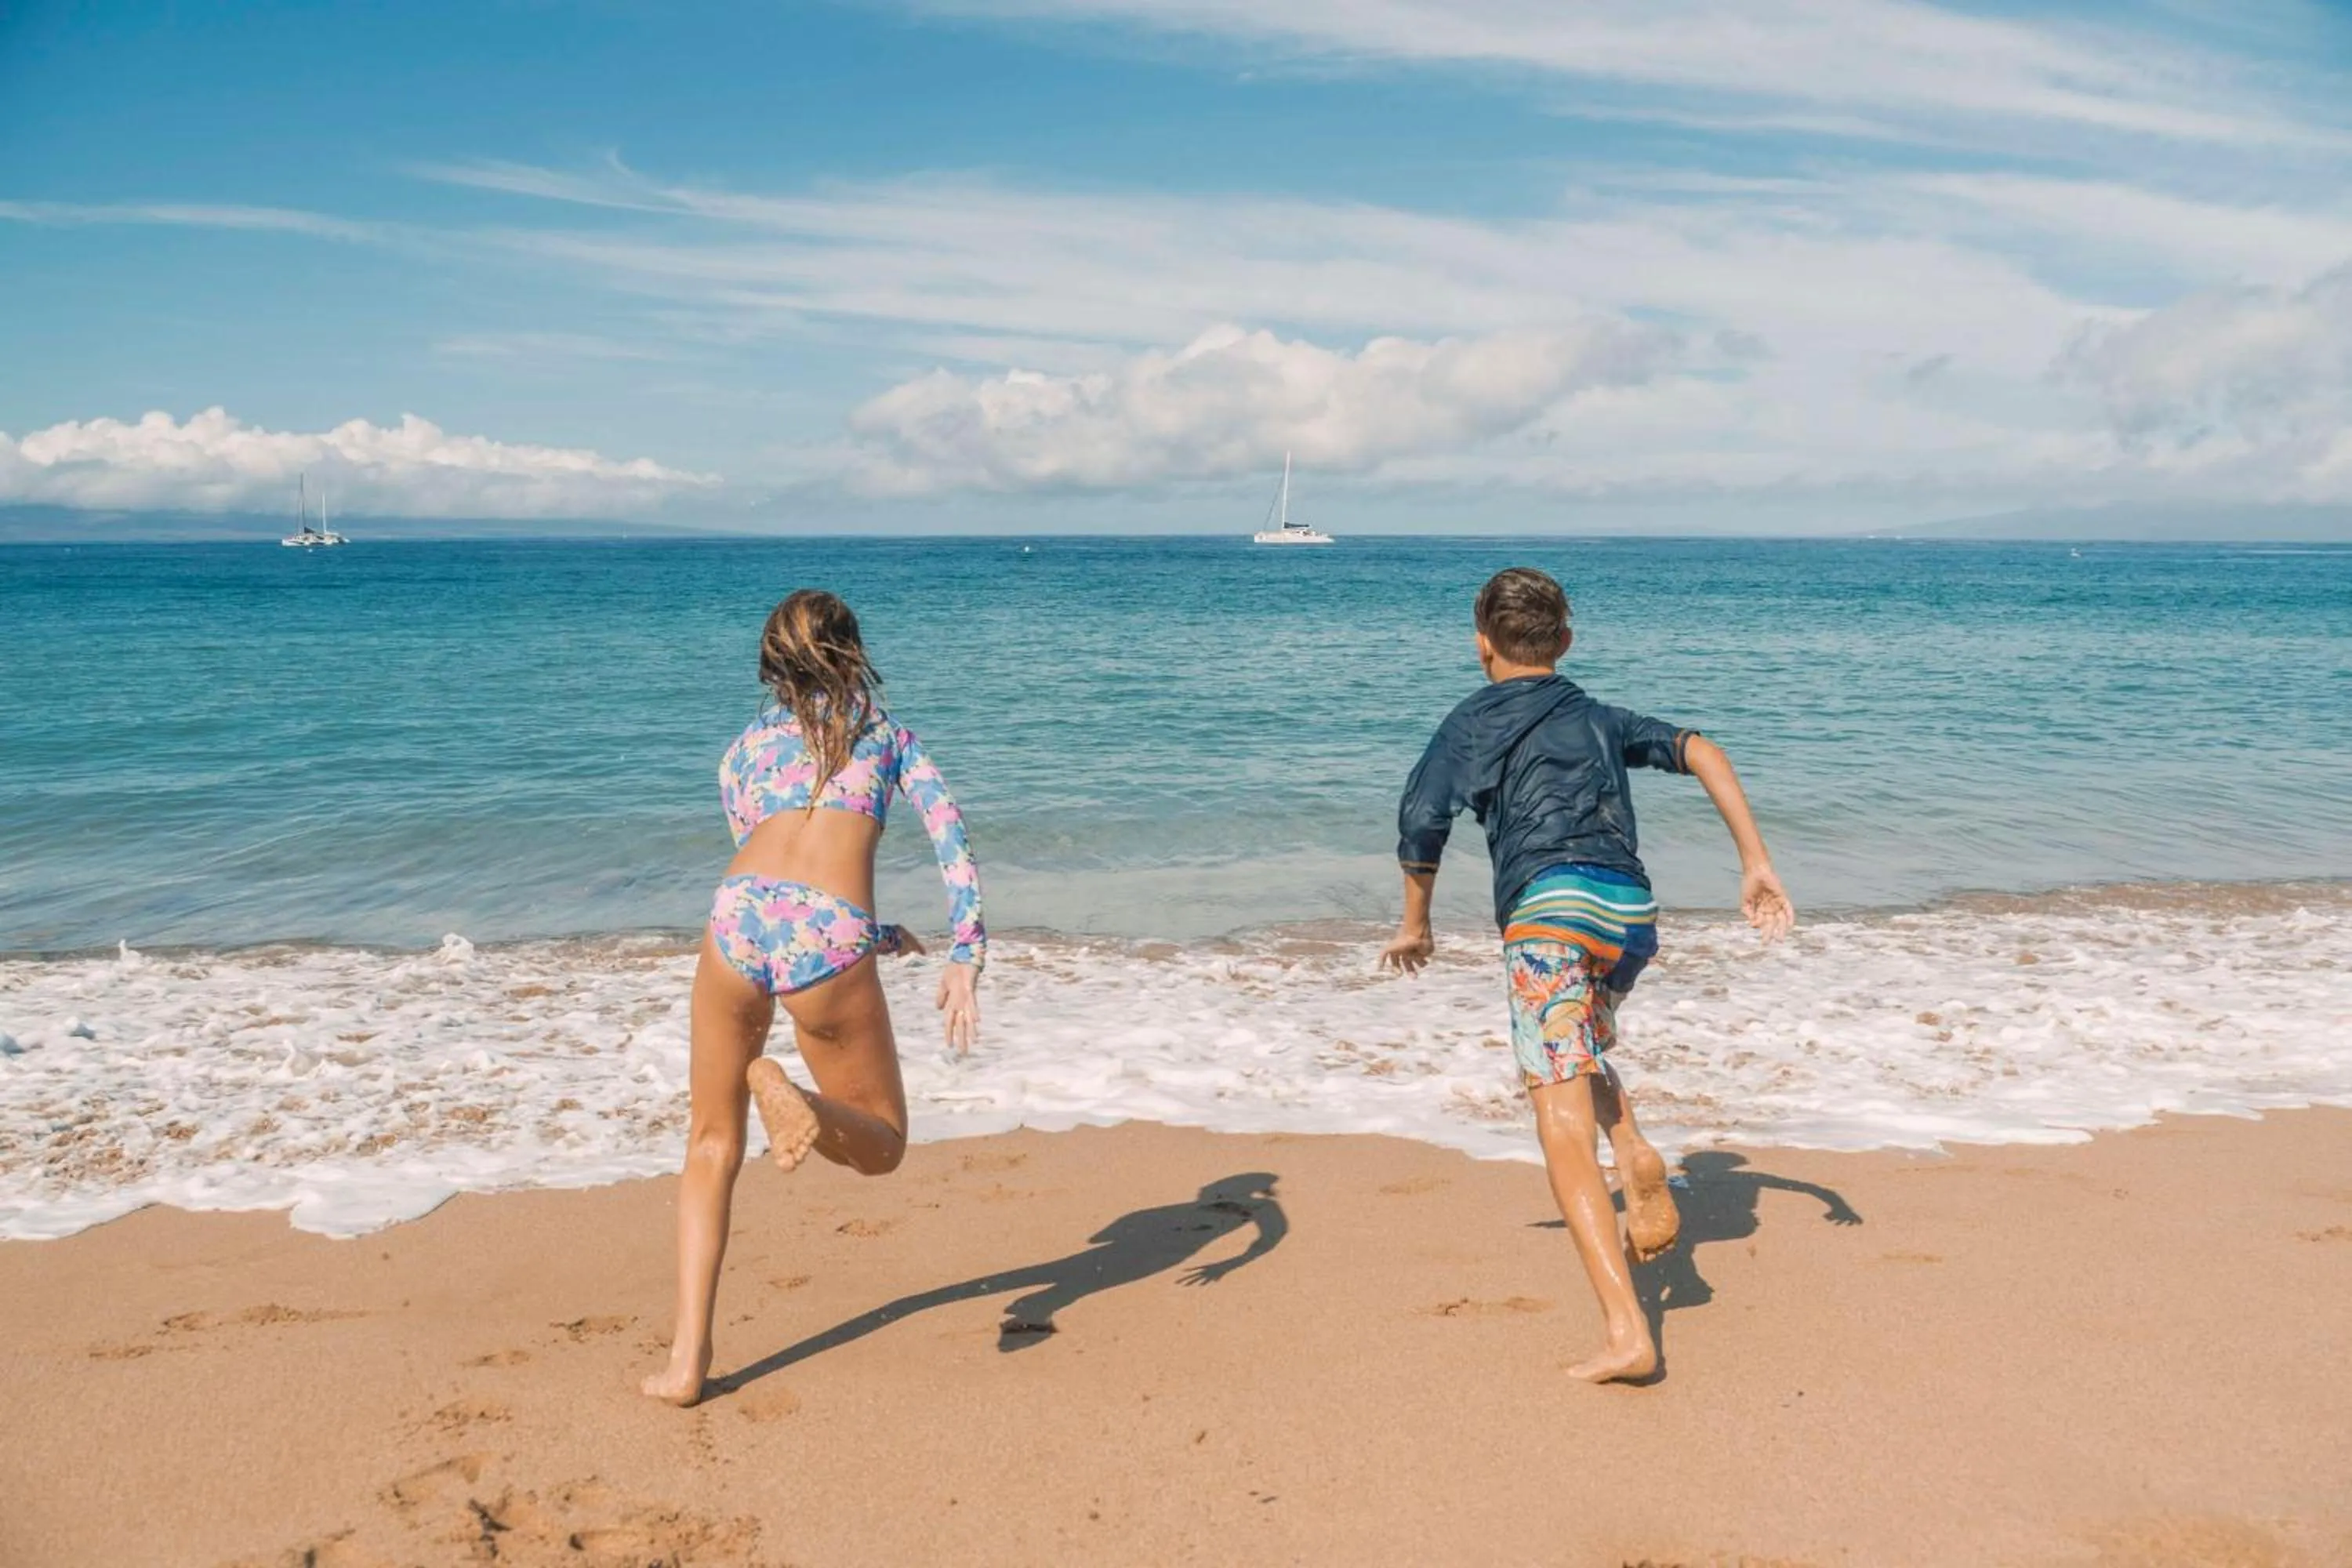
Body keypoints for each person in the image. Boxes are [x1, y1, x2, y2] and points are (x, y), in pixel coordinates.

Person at [1379, 567, 1793, 1384]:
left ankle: (1626, 1331)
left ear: (1480, 644)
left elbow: (1422, 818)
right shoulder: (1596, 715)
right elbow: (1701, 748)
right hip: (1627, 914)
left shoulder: (1466, 723)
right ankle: (1633, 1144)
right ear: (1564, 642)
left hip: (1549, 914)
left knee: (1557, 1118)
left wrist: (1416, 921)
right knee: (1577, 1046)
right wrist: (1755, 862)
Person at [643, 588, 987, 1406]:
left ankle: (686, 1362)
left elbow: (775, 883)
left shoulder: (738, 754)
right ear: (854, 650)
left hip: (733, 919)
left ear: (770, 665)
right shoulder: (889, 738)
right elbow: (952, 839)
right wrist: (964, 953)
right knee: (885, 1143)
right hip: (824, 932)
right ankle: (795, 1093)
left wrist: (871, 933)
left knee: (708, 1144)